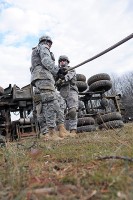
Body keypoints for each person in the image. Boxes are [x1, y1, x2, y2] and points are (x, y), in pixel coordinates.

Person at [30, 36, 69, 140]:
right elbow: (46, 60)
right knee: (50, 102)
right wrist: (58, 70)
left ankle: (53, 132)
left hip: (39, 78)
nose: (50, 46)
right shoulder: (43, 47)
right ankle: (52, 133)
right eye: (50, 44)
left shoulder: (36, 50)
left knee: (43, 105)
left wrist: (58, 74)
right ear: (47, 42)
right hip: (43, 76)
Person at [56, 55, 79, 136]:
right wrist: (58, 77)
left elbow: (69, 77)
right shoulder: (57, 72)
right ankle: (63, 131)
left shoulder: (71, 69)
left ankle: (73, 130)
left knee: (72, 111)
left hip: (71, 91)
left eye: (64, 60)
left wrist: (63, 77)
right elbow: (56, 83)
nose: (62, 62)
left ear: (67, 62)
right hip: (62, 93)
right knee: (60, 112)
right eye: (61, 61)